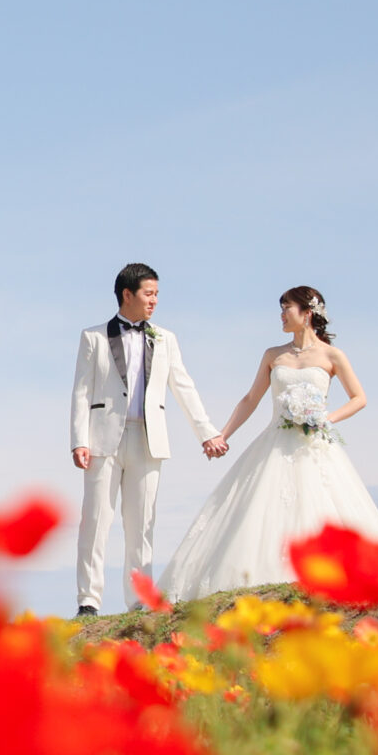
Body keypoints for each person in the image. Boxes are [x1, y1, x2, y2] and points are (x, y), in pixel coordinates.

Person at [158, 285, 378, 604]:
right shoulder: (274, 355)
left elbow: (359, 398)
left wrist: (327, 418)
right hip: (275, 442)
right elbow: (251, 399)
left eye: (288, 308)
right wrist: (222, 435)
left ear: (307, 314)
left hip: (316, 446)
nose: (282, 315)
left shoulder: (331, 355)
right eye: (281, 309)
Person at [68, 263, 224, 616]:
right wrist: (79, 439)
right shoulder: (92, 337)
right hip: (101, 440)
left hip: (149, 439)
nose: (155, 301)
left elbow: (183, 386)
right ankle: (88, 600)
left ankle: (139, 599)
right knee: (95, 520)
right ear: (128, 294)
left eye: (157, 294)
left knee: (142, 524)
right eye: (148, 294)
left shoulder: (165, 338)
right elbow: (81, 391)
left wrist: (207, 432)